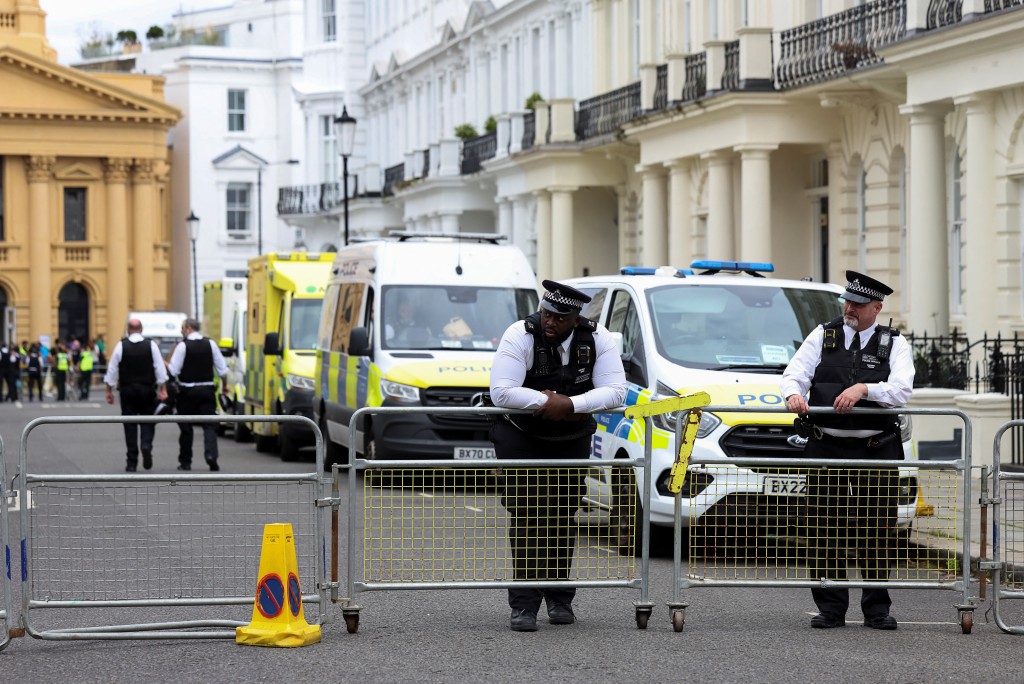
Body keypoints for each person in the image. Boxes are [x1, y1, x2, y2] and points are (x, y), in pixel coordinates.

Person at [489, 280, 627, 632]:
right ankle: (524, 605)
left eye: (560, 318)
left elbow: (616, 392)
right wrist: (545, 403)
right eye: (547, 313)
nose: (550, 322)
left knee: (563, 514)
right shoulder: (520, 333)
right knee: (529, 514)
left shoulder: (598, 338)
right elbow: (502, 392)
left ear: (576, 319)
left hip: (571, 437)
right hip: (522, 436)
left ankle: (559, 598)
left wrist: (570, 404)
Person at [780, 270, 914, 631]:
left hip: (876, 448)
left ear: (877, 307)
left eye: (856, 303)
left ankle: (876, 610)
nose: (848, 308)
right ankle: (830, 608)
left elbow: (902, 390)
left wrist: (864, 390)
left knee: (877, 529)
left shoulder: (894, 344)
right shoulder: (824, 335)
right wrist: (793, 393)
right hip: (827, 445)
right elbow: (794, 373)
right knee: (824, 527)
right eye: (846, 302)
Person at [104, 319, 169, 472]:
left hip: (127, 390)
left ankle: (131, 462)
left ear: (128, 329)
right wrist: (163, 388)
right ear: (141, 329)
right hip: (147, 389)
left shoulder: (121, 346)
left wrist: (109, 389)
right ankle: (146, 445)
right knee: (148, 421)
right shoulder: (151, 345)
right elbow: (160, 369)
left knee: (130, 425)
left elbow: (112, 369)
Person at [167, 318, 229, 471]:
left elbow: (173, 371)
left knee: (186, 428)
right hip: (207, 390)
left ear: (188, 328)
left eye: (182, 328)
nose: (181, 331)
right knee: (209, 425)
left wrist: (165, 363)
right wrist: (225, 387)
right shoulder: (211, 344)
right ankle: (211, 456)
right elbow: (223, 370)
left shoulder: (182, 346)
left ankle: (186, 461)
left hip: (187, 392)